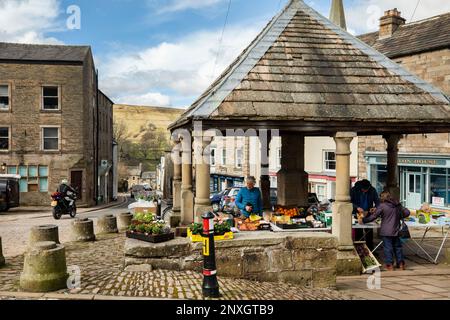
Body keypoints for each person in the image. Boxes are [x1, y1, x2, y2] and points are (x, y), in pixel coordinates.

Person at [360, 191, 410, 271]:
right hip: (396, 230)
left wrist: (363, 220)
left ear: (382, 198)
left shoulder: (382, 206)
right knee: (398, 247)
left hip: (386, 231)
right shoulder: (397, 205)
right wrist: (399, 215)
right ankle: (401, 264)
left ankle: (390, 265)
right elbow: (407, 212)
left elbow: (374, 217)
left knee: (388, 248)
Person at [351, 180, 380, 250]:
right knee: (359, 231)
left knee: (369, 232)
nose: (365, 191)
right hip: (357, 213)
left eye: (366, 190)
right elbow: (349, 201)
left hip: (368, 213)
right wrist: (357, 207)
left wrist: (375, 208)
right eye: (363, 190)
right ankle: (359, 249)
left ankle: (370, 249)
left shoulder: (372, 190)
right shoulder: (353, 190)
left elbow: (377, 202)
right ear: (360, 187)